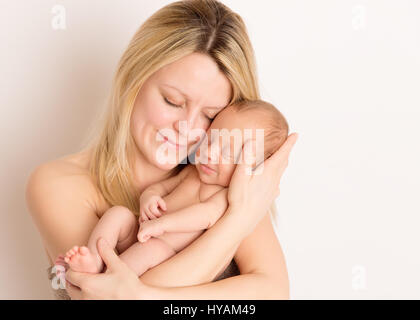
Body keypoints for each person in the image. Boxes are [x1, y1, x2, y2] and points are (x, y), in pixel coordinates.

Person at [25, 0, 298, 299]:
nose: (188, 128)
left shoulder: (221, 177)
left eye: (210, 115)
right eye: (172, 101)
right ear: (132, 79)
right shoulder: (58, 184)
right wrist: (239, 221)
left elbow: (274, 293)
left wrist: (141, 296)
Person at [60, 100, 289, 280]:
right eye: (210, 141)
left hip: (165, 253)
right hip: (141, 230)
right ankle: (94, 258)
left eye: (227, 153)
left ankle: (108, 281)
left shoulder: (224, 196)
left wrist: (163, 225)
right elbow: (161, 187)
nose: (209, 153)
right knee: (118, 214)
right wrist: (149, 198)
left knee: (150, 250)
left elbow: (205, 217)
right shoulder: (192, 172)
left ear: (252, 167)